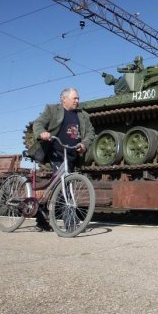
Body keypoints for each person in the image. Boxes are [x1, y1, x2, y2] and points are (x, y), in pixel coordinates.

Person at [28, 87, 96, 231]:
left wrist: (84, 144)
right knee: (65, 186)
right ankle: (71, 224)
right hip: (56, 152)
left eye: (78, 98)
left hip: (72, 154)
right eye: (74, 98)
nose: (77, 101)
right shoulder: (52, 110)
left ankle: (40, 217)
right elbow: (38, 123)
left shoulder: (82, 115)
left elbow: (90, 132)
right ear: (63, 99)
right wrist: (42, 133)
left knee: (57, 187)